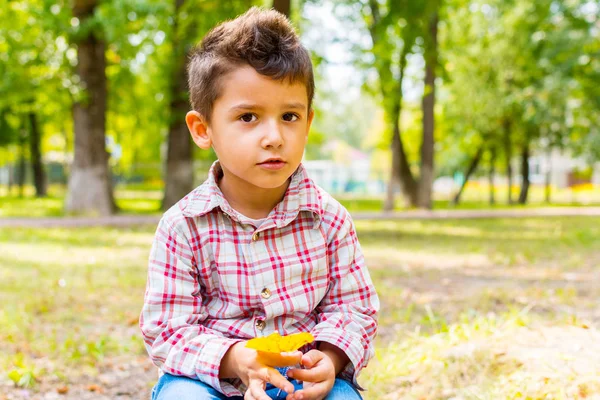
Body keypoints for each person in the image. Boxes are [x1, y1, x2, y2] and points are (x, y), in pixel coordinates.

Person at [140, 7, 379, 400]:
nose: (274, 137)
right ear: (203, 129)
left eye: (289, 116)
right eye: (249, 117)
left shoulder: (330, 220)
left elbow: (354, 309)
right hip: (212, 381)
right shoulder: (183, 226)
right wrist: (235, 358)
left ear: (308, 122)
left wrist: (331, 359)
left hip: (302, 379)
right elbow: (167, 327)